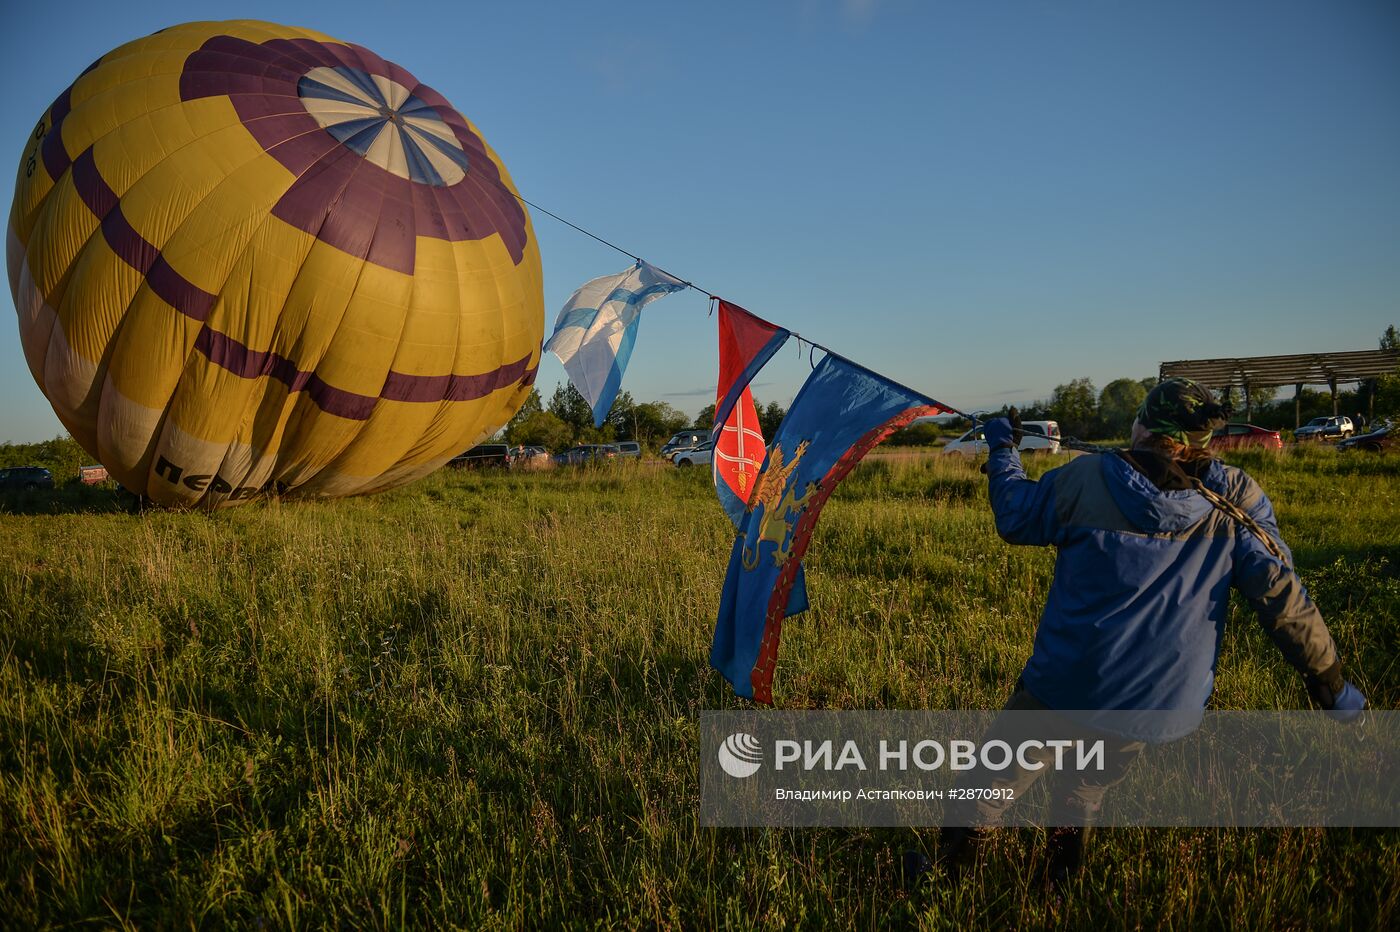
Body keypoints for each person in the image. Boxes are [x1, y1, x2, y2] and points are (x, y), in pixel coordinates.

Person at [908, 378, 1366, 889]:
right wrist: (1328, 679)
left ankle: (946, 881)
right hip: (1159, 701)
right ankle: (1058, 883)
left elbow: (1016, 516)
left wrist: (1001, 449)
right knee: (1084, 785)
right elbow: (1281, 594)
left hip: (1068, 685)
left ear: (1143, 425)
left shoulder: (1086, 479)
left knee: (990, 780)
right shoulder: (1237, 499)